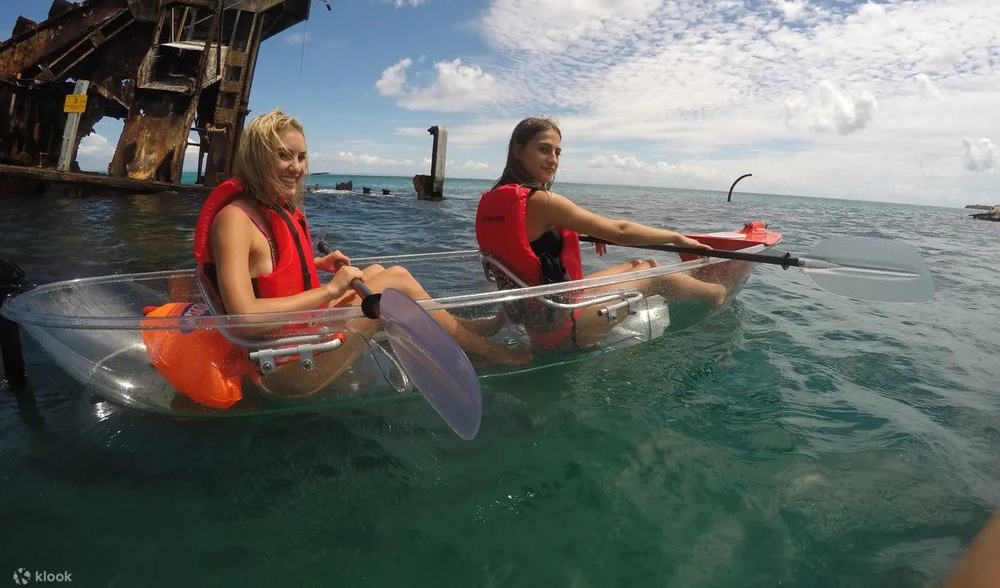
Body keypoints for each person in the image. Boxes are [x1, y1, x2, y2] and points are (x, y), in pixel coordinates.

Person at [195, 109, 527, 396]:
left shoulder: (267, 208)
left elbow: (267, 271)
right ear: (257, 158)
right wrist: (330, 290)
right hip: (280, 369)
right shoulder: (235, 220)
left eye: (301, 157)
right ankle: (485, 350)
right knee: (394, 281)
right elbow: (244, 319)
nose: (296, 167)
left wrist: (317, 263)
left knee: (378, 271)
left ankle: (464, 331)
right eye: (283, 155)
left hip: (299, 338)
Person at [476, 116, 734, 351]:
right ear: (518, 151)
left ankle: (700, 289)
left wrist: (584, 231)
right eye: (544, 149)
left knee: (640, 264)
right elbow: (621, 231)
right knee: (654, 274)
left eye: (558, 152)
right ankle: (719, 293)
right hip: (564, 327)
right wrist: (676, 238)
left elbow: (530, 240)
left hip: (535, 319)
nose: (553, 160)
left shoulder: (493, 202)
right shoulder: (542, 201)